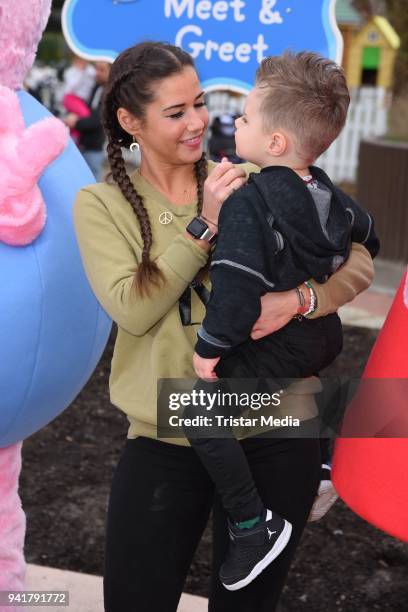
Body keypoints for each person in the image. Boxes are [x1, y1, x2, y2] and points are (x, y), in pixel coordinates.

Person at [73, 42, 375, 612]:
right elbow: (132, 310)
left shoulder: (255, 175)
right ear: (129, 121)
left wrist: (302, 299)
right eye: (176, 111)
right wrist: (205, 225)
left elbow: (357, 255)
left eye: (201, 102)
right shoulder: (101, 204)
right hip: (166, 437)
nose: (198, 121)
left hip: (276, 428)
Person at [187, 51, 379, 591]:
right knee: (301, 388)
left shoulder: (250, 202)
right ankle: (323, 465)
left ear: (273, 143)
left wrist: (209, 346)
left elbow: (237, 282)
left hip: (277, 343)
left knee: (197, 409)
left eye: (245, 118)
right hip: (320, 335)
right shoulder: (334, 198)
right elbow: (370, 237)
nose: (236, 124)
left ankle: (252, 527)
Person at [63, 61, 110, 180]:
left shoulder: (110, 93)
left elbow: (97, 119)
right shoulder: (96, 87)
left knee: (91, 182)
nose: (97, 73)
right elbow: (85, 109)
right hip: (85, 144)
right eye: (97, 69)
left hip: (94, 146)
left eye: (102, 70)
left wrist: (76, 122)